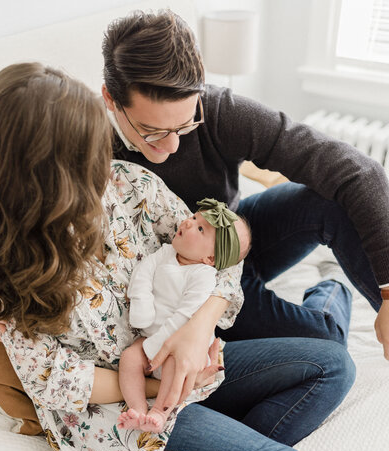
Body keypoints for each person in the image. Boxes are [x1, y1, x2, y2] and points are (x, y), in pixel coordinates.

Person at [0, 62, 354, 451]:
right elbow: (57, 384)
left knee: (332, 365)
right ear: (49, 168)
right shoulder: (7, 273)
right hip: (120, 418)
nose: (105, 155)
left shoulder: (128, 186)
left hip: (183, 366)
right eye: (88, 149)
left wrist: (199, 328)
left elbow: (221, 259)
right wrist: (170, 388)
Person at [99, 10, 389, 377]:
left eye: (185, 125)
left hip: (238, 238)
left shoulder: (217, 109)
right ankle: (333, 291)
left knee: (330, 198)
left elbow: (359, 169)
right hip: (193, 283)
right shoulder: (89, 147)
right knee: (326, 343)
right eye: (152, 131)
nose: (173, 145)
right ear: (111, 99)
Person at [118, 199, 251, 433]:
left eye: (200, 229)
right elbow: (144, 272)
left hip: (181, 342)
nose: (189, 224)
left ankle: (161, 411)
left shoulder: (203, 276)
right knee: (129, 358)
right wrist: (141, 303)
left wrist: (157, 348)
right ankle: (137, 410)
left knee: (173, 366)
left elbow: (184, 316)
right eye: (194, 218)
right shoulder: (166, 252)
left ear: (210, 259)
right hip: (151, 337)